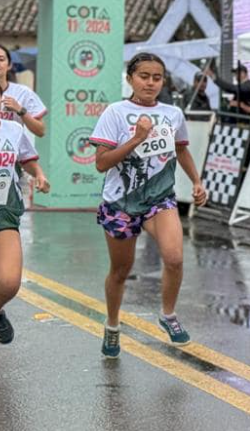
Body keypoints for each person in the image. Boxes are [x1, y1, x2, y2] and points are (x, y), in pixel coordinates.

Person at [88, 53, 209, 358]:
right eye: (144, 76)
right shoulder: (115, 113)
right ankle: (113, 325)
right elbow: (101, 163)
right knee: (120, 270)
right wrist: (136, 139)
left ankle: (167, 315)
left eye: (157, 77)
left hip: (160, 198)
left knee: (175, 258)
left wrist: (196, 181)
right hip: (121, 202)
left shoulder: (172, 113)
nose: (151, 83)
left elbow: (181, 150)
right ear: (130, 79)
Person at [0, 76, 50, 344]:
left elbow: (27, 158)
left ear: (1, 100)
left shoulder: (13, 129)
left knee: (9, 283)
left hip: (1, 214)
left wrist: (39, 175)